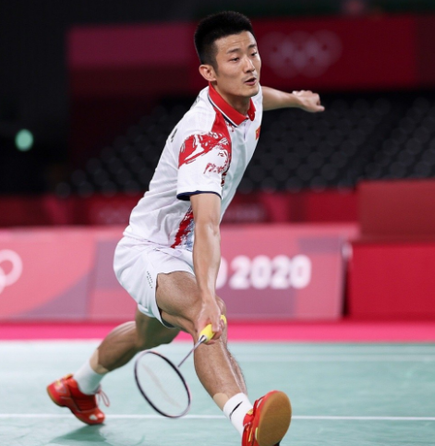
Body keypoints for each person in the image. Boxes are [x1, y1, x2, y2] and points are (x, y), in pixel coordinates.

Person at [47, 11, 324, 446]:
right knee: (204, 315)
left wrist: (294, 99)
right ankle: (246, 421)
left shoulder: (245, 95)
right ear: (209, 73)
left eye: (253, 53)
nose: (249, 66)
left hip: (177, 249)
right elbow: (208, 224)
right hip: (149, 250)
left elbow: (260, 98)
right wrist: (208, 298)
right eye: (235, 58)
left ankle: (76, 388)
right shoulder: (205, 139)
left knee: (146, 335)